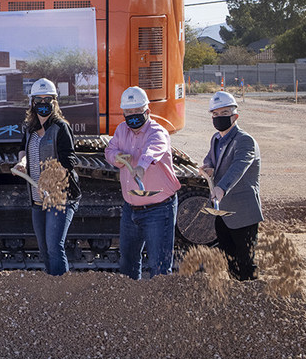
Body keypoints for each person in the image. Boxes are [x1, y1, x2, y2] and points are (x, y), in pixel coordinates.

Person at [103, 86, 181, 279]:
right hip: (130, 208)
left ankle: (160, 305)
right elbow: (109, 150)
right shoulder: (122, 130)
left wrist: (142, 166)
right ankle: (133, 303)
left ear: (147, 111)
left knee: (159, 266)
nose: (132, 116)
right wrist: (117, 157)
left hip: (158, 208)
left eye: (137, 111)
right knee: (128, 262)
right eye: (128, 112)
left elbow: (153, 150)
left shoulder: (157, 132)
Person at [17, 78, 80, 275]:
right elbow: (23, 150)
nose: (43, 104)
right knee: (44, 249)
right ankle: (52, 287)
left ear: (54, 102)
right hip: (38, 199)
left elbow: (69, 161)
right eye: (39, 100)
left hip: (59, 198)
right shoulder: (29, 129)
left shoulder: (61, 127)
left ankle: (62, 291)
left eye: (48, 99)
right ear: (32, 103)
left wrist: (48, 181)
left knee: (54, 247)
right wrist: (22, 163)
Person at [199, 91, 263, 280]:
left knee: (245, 262)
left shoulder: (245, 140)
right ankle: (237, 298)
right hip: (223, 213)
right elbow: (210, 158)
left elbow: (239, 167)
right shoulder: (216, 139)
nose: (219, 118)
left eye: (224, 113)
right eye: (215, 114)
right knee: (230, 261)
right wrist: (208, 167)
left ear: (235, 116)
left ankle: (252, 299)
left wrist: (222, 187)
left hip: (243, 213)